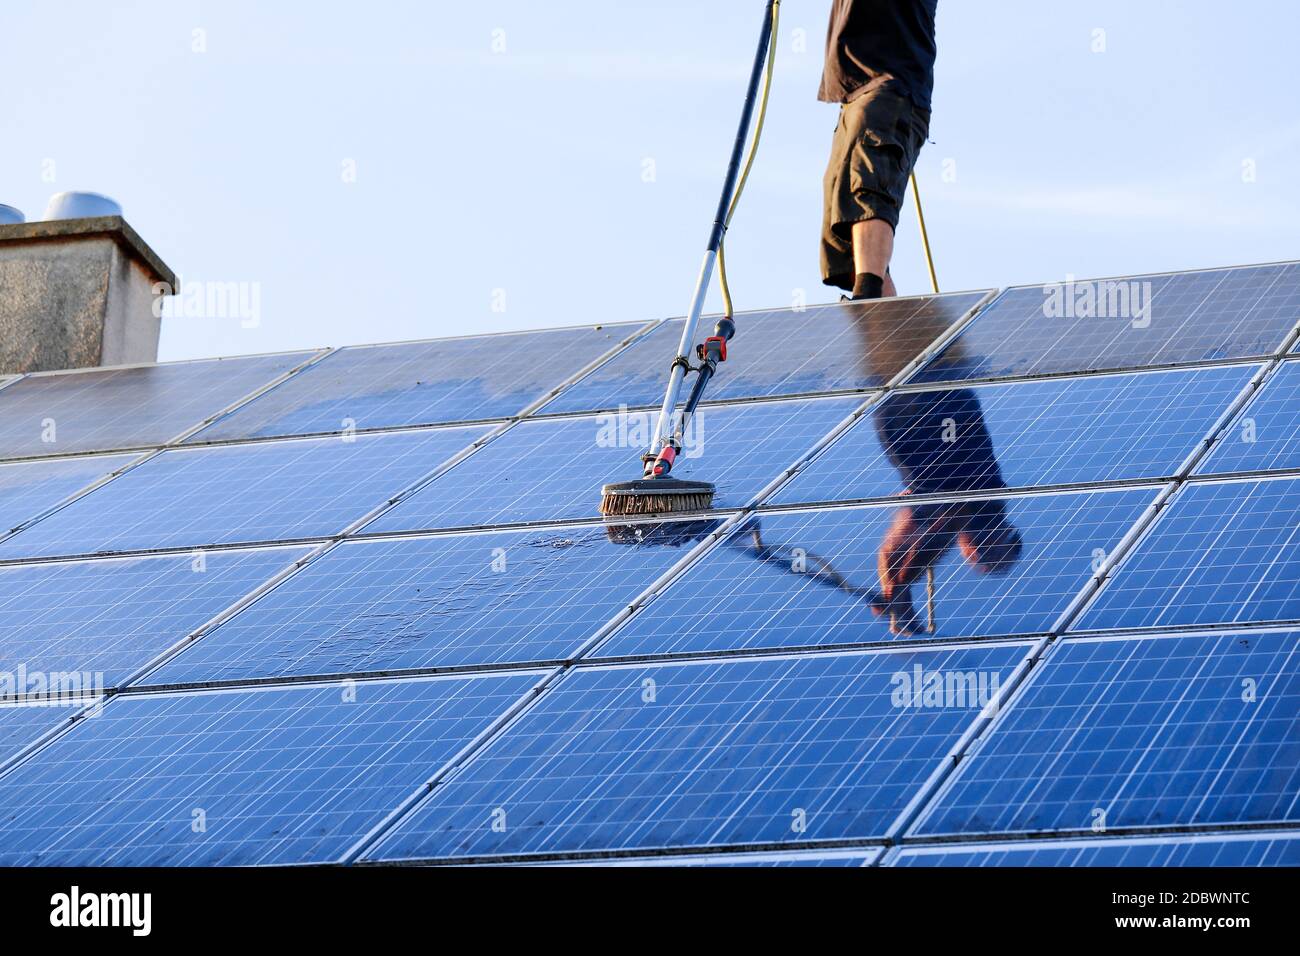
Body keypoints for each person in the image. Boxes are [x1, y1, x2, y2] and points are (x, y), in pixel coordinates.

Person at [819, 0, 938, 300]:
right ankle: (886, 327)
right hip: (855, 95)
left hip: (889, 89)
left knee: (868, 189)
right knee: (842, 214)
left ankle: (868, 295)